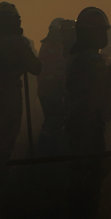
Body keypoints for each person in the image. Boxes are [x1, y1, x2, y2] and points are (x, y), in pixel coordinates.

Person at [66, 7, 111, 219]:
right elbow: (107, 80)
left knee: (87, 168)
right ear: (91, 33)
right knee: (91, 171)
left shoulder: (79, 54)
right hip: (86, 121)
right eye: (103, 31)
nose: (106, 36)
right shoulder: (88, 56)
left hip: (82, 118)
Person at [0, 2, 42, 190]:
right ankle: (0, 188)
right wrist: (26, 49)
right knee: (5, 141)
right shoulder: (16, 42)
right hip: (9, 95)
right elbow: (36, 68)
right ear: (12, 21)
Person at [36, 18, 76, 156]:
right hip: (51, 92)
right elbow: (51, 73)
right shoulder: (50, 48)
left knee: (54, 121)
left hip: (53, 91)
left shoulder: (56, 46)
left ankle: (47, 152)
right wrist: (61, 91)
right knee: (53, 121)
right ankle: (45, 153)